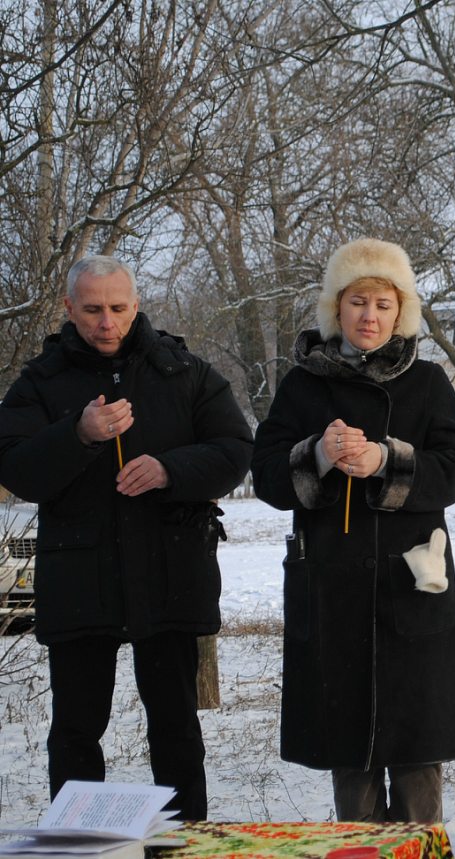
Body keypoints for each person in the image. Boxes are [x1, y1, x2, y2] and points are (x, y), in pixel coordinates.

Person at [0, 255, 253, 820]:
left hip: (169, 573)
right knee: (75, 730)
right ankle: (81, 845)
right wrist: (78, 433)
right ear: (69, 309)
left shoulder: (183, 371)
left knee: (175, 728)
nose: (106, 323)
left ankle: (182, 842)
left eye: (117, 308)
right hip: (79, 577)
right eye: (92, 310)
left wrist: (169, 471)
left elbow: (235, 450)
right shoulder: (41, 382)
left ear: (136, 305)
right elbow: (14, 468)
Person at [251, 238, 455, 823]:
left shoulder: (426, 383)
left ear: (399, 310)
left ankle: (420, 846)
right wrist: (318, 456)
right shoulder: (303, 386)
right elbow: (269, 476)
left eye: (382, 303)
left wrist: (386, 463)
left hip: (411, 587)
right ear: (336, 308)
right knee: (348, 752)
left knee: (416, 751)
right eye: (357, 302)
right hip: (332, 591)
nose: (369, 316)